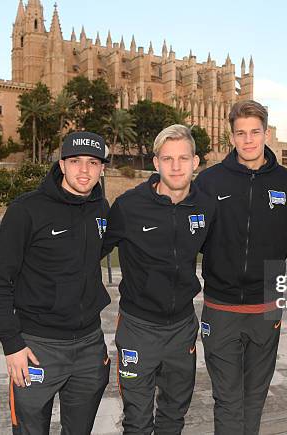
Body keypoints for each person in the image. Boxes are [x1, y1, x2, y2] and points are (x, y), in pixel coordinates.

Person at [0, 131, 112, 435]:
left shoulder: (101, 210)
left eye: (93, 162)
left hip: (89, 346)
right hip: (36, 347)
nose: (84, 170)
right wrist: (12, 344)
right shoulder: (26, 210)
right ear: (62, 164)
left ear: (102, 169)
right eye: (76, 161)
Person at [194, 100, 287, 434]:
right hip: (220, 308)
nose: (249, 140)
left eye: (255, 132)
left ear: (266, 133)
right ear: (232, 137)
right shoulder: (210, 181)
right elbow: (187, 237)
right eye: (241, 133)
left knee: (254, 399)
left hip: (266, 308)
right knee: (227, 399)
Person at [102, 124, 215, 434]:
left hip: (182, 328)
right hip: (139, 328)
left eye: (183, 158)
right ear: (156, 163)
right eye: (167, 159)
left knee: (173, 416)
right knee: (137, 422)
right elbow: (89, 253)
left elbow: (224, 252)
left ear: (195, 162)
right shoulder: (129, 206)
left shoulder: (205, 207)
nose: (175, 166)